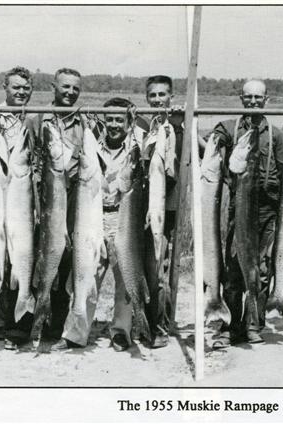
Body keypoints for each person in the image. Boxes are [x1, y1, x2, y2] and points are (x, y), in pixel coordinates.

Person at [209, 79, 283, 348]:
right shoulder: (230, 128)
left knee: (262, 270)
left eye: (258, 97)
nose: (254, 101)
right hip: (239, 209)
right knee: (233, 269)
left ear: (266, 100)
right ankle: (230, 327)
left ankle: (255, 323)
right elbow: (209, 144)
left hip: (267, 211)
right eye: (249, 97)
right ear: (242, 99)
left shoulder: (276, 135)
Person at [36, 67, 93, 351]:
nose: (70, 92)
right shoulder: (38, 119)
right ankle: (28, 323)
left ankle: (55, 326)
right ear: (53, 86)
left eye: (75, 89)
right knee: (42, 260)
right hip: (43, 201)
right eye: (65, 87)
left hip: (74, 201)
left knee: (67, 260)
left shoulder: (85, 122)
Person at [95, 97, 147, 351]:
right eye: (109, 119)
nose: (114, 124)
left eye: (119, 119)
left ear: (128, 122)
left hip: (122, 216)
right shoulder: (93, 143)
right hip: (95, 216)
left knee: (124, 278)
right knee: (88, 273)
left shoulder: (136, 146)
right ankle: (76, 331)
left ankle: (120, 331)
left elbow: (150, 128)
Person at [135, 74, 183, 348]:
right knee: (139, 269)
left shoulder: (176, 125)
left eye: (162, 95)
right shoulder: (141, 125)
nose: (157, 100)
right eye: (152, 95)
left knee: (158, 272)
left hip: (165, 210)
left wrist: (178, 127)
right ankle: (139, 322)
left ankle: (158, 326)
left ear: (171, 96)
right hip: (140, 208)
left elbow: (184, 160)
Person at [0, 66, 37, 350]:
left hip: (24, 200)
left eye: (25, 88)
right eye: (15, 87)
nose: (20, 92)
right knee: (0, 260)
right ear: (5, 88)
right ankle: (0, 320)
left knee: (23, 257)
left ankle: (20, 328)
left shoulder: (34, 119)